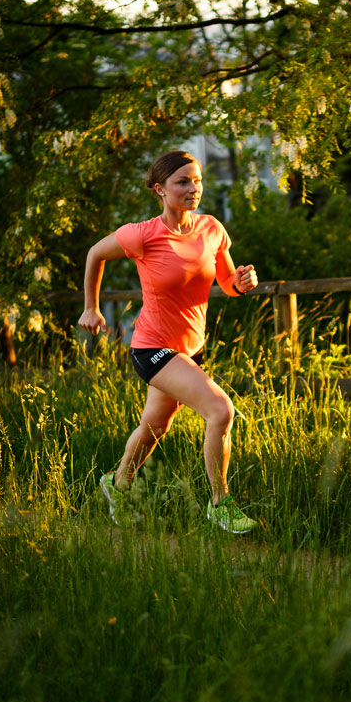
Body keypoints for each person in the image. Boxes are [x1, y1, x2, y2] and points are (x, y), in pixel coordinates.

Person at [77, 150, 261, 534]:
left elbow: (226, 283)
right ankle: (220, 503)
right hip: (152, 348)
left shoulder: (211, 229)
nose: (193, 188)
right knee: (220, 410)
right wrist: (91, 308)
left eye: (197, 181)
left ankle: (117, 484)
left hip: (187, 349)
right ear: (160, 189)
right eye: (182, 182)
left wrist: (241, 284)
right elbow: (95, 253)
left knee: (155, 426)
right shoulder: (142, 234)